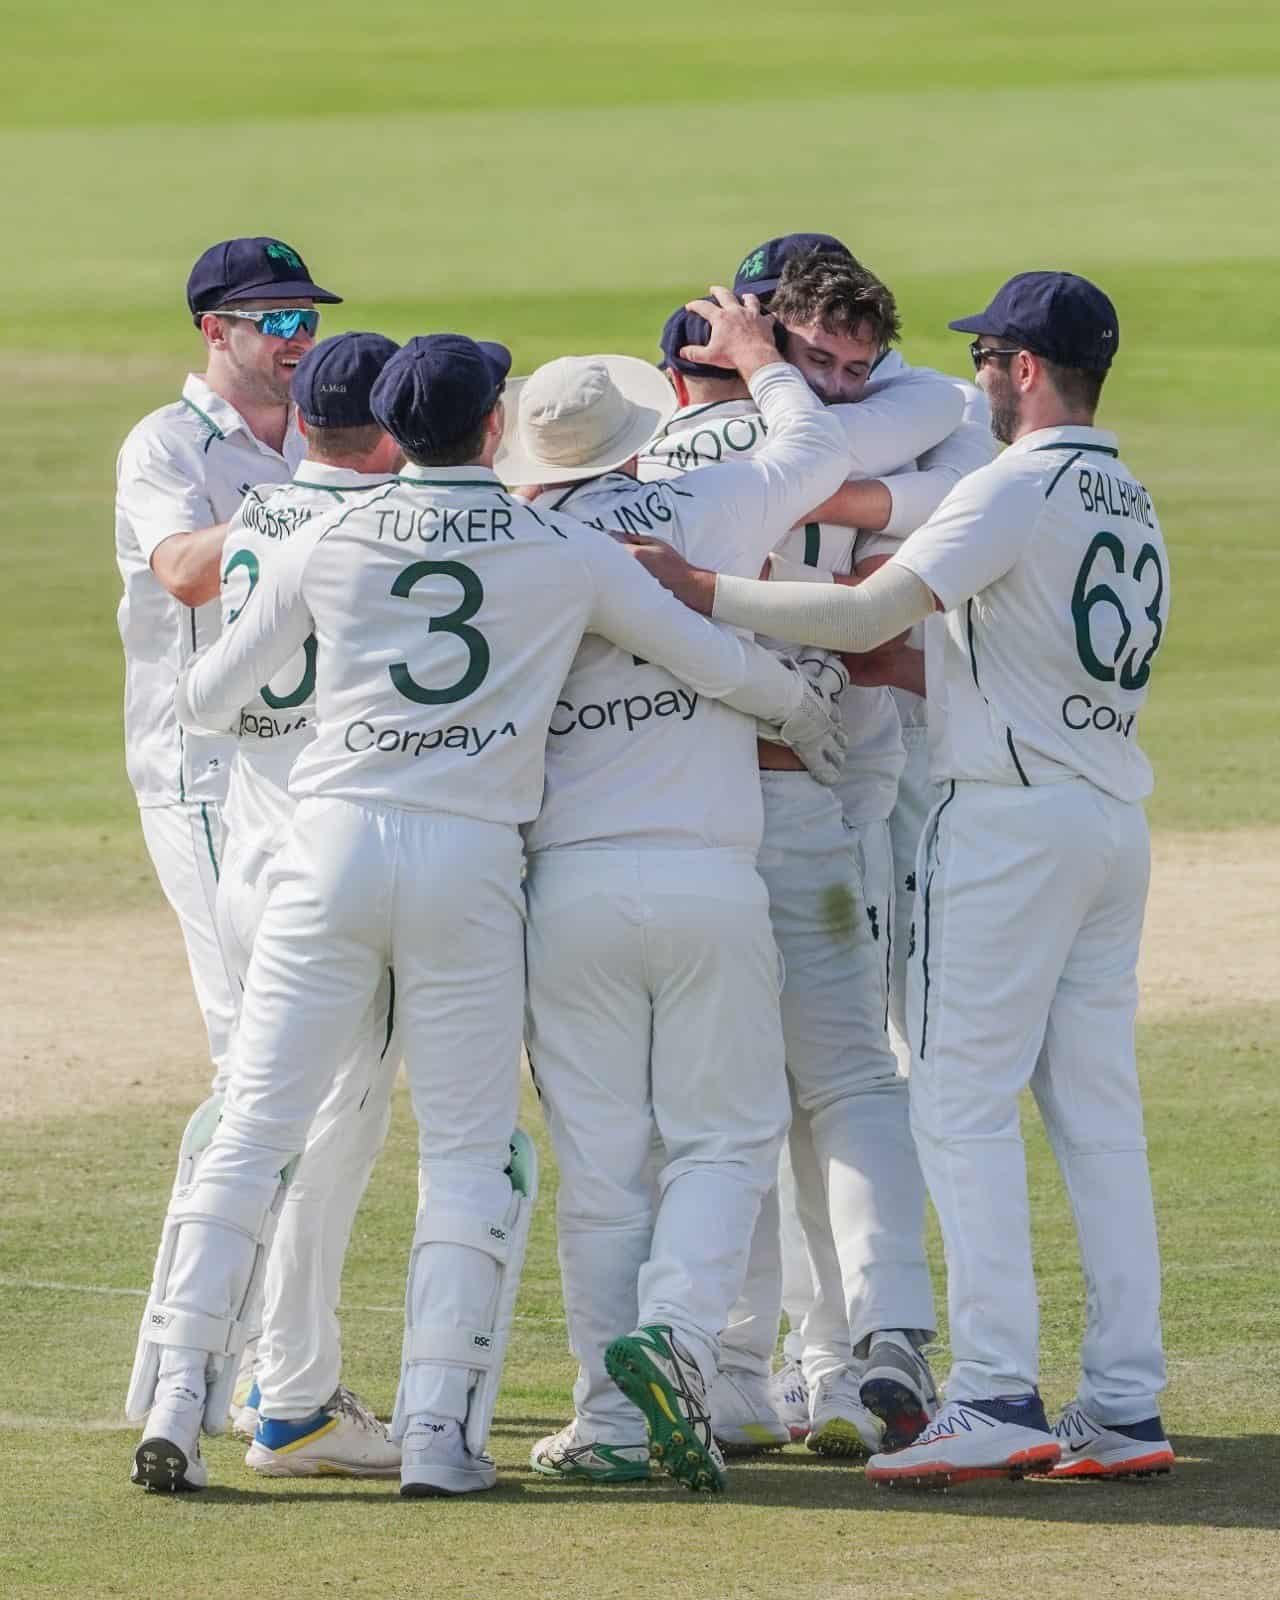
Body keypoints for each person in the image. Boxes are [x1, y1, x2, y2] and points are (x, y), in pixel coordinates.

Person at [125, 308, 848, 1498]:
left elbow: (204, 696)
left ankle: (179, 1402)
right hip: (469, 862)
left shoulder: (327, 536)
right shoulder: (554, 550)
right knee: (468, 1153)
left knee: (258, 1125)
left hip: (329, 846)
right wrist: (810, 723)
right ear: (492, 426)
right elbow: (710, 659)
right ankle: (438, 1439)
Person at [631, 270, 1175, 1486]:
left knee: (958, 1103)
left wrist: (699, 589)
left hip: (1006, 824)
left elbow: (877, 600)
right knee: (1096, 1112)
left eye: (987, 354)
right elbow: (986, 653)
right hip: (1106, 817)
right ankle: (1125, 1401)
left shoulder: (1010, 484)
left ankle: (991, 1389)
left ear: (1024, 369)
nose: (974, 375)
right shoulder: (1125, 495)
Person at [493, 327, 852, 1489]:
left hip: (567, 886)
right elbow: (813, 444)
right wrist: (760, 356)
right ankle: (683, 1341)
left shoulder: (519, 545)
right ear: (641, 436)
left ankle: (607, 1416)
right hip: (705, 873)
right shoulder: (698, 506)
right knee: (725, 1137)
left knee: (602, 1165)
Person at [641, 244, 977, 1459]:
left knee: (823, 1077)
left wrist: (778, 451)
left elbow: (924, 440)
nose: (837, 384)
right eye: (814, 360)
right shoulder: (810, 428)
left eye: (855, 364)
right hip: (738, 791)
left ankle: (839, 1355)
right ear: (766, 338)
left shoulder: (927, 421)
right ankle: (803, 1359)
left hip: (848, 785)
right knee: (766, 1090)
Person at [211, 332, 406, 1478]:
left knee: (265, 1130)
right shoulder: (363, 536)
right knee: (328, 1142)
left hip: (253, 854)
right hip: (328, 876)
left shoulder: (264, 513)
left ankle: (241, 1367)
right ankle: (292, 1399)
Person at [114, 236, 340, 1089]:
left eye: (308, 318)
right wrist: (305, 508)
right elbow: (181, 572)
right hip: (201, 766)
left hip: (302, 758)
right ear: (215, 329)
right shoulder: (166, 445)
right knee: (249, 1038)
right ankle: (212, 1224)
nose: (300, 337)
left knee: (317, 1021)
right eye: (277, 319)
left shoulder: (320, 432)